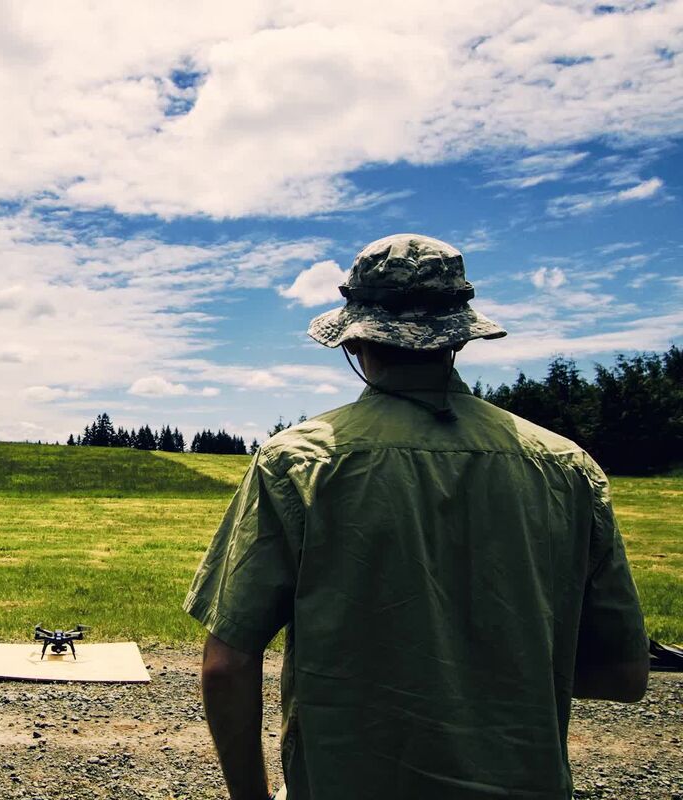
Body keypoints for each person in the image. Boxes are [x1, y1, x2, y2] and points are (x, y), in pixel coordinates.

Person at [185, 234, 648, 800]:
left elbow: (226, 664)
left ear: (355, 343)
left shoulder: (298, 463)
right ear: (459, 339)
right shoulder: (568, 468)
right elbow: (623, 677)